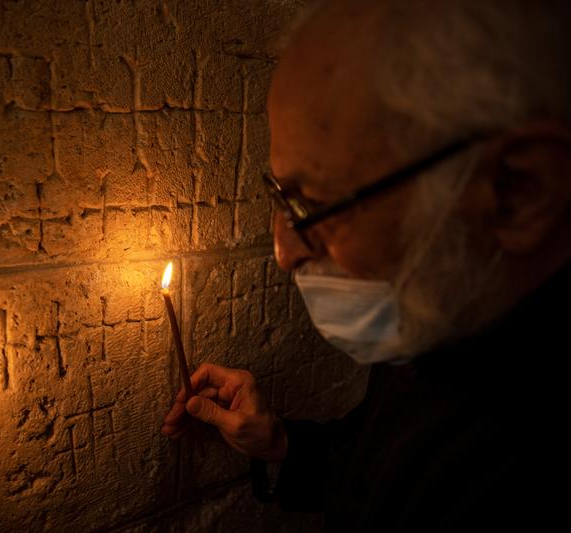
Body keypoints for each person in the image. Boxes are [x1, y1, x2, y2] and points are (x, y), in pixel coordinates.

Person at [162, 0, 570, 530]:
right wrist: (281, 442)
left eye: (309, 205)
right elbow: (381, 467)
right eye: (279, 195)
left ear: (520, 191)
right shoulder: (444, 313)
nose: (285, 253)